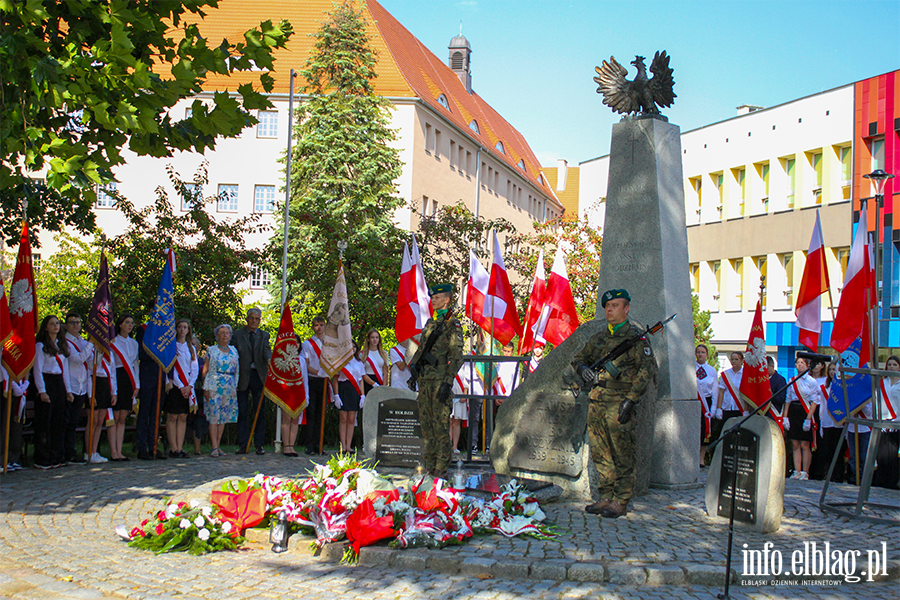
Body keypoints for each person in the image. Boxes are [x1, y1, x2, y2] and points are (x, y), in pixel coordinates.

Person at [572, 289, 656, 519]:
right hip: (597, 402)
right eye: (607, 306)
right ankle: (606, 496)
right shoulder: (598, 338)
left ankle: (621, 499)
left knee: (623, 453)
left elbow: (645, 372)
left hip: (620, 403)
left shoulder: (637, 339)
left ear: (626, 309)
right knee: (601, 452)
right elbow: (579, 358)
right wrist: (583, 370)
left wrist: (631, 400)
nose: (610, 310)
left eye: (615, 306)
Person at [407, 283, 464, 478]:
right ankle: (429, 465)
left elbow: (457, 356)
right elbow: (422, 350)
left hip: (440, 381)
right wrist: (414, 371)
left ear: (447, 300)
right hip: (425, 380)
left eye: (437, 298)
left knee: (440, 426)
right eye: (432, 298)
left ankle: (441, 468)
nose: (433, 300)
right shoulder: (431, 323)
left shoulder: (452, 324)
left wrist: (448, 382)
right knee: (426, 425)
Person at [32, 315, 73, 469]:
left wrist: (68, 390)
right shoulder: (41, 346)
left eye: (57, 323)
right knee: (44, 422)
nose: (55, 326)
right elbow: (37, 370)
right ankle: (42, 457)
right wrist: (42, 391)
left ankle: (55, 455)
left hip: (59, 383)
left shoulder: (61, 345)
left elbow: (66, 371)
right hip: (46, 382)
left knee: (58, 421)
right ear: (46, 327)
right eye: (52, 324)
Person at [232, 307, 271, 455]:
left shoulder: (264, 335)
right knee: (243, 411)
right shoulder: (237, 335)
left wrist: (269, 359)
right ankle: (243, 444)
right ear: (247, 319)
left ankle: (259, 445)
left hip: (259, 376)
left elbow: (267, 350)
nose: (254, 321)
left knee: (260, 411)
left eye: (257, 319)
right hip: (242, 376)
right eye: (252, 318)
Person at [163, 319, 198, 458]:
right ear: (176, 329)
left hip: (187, 386)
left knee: (183, 417)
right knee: (172, 416)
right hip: (175, 386)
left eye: (185, 327)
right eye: (180, 327)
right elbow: (170, 368)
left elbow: (194, 368)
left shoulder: (191, 348)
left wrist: (189, 385)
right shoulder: (171, 346)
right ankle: (174, 448)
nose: (183, 330)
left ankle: (180, 446)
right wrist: (181, 385)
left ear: (189, 330)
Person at [203, 324, 240, 457]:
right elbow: (205, 370)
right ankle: (213, 446)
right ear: (217, 335)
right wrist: (206, 387)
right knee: (214, 416)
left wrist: (235, 385)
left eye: (227, 333)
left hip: (229, 386)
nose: (225, 335)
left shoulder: (234, 350)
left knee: (223, 416)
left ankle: (219, 445)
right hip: (214, 384)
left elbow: (237, 370)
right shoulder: (211, 350)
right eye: (222, 333)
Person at [63, 312, 93, 464]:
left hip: (82, 386)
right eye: (72, 322)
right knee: (66, 422)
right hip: (70, 386)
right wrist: (91, 344)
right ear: (66, 325)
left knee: (74, 422)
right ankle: (65, 452)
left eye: (78, 322)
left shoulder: (81, 342)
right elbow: (78, 359)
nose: (76, 325)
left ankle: (71, 451)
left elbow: (90, 361)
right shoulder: (65, 342)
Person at [784, 355, 820, 481]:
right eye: (797, 363)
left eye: (802, 363)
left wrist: (809, 419)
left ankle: (805, 471)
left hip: (806, 411)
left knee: (805, 443)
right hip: (794, 411)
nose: (799, 365)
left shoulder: (811, 381)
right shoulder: (792, 380)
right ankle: (796, 470)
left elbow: (815, 401)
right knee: (795, 443)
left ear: (807, 365)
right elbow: (788, 399)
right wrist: (785, 417)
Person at [110, 314, 139, 461]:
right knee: (115, 416)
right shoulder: (113, 342)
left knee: (122, 417)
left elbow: (135, 365)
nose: (130, 325)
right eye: (127, 322)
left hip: (129, 379)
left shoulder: (134, 343)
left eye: (131, 323)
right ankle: (113, 451)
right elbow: (111, 365)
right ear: (120, 324)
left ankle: (119, 451)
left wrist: (136, 384)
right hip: (117, 376)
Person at [134, 323, 165, 460]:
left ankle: (154, 445)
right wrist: (157, 353)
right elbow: (141, 353)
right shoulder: (143, 329)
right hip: (147, 374)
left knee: (156, 413)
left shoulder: (165, 331)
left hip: (161, 375)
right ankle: (141, 447)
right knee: (144, 413)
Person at [302, 316, 332, 454]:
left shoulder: (330, 343)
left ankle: (319, 444)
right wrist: (318, 373)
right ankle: (309, 444)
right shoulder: (307, 344)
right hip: (312, 379)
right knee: (311, 412)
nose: (319, 327)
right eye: (316, 325)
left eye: (321, 324)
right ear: (312, 327)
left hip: (325, 381)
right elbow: (306, 364)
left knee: (321, 413)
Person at [813, 361, 846, 482]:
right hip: (826, 421)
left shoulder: (844, 385)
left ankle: (838, 476)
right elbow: (819, 402)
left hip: (839, 422)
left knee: (839, 451)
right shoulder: (823, 385)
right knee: (827, 451)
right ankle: (827, 475)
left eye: (835, 370)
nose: (833, 372)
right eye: (831, 369)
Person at [333, 342, 366, 453]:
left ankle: (349, 446)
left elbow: (361, 380)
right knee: (343, 419)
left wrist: (362, 395)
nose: (352, 349)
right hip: (343, 389)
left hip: (354, 390)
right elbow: (336, 379)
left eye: (354, 347)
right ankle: (342, 446)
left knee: (351, 419)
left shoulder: (359, 363)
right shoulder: (340, 363)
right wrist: (336, 395)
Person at [874, 355, 900, 489]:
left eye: (894, 364)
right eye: (889, 364)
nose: (891, 367)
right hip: (882, 421)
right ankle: (881, 481)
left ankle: (891, 482)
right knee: (881, 454)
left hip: (896, 423)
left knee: (892, 454)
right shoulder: (882, 382)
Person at [1, 358, 28, 471]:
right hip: (5, 385)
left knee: (16, 425)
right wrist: (12, 384)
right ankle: (2, 459)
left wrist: (25, 383)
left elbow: (26, 364)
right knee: (3, 425)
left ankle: (12, 458)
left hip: (18, 383)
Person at [695, 344, 717, 468]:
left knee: (705, 431)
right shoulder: (691, 367)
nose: (700, 354)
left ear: (707, 354)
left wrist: (713, 408)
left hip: (707, 403)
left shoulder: (711, 370)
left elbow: (714, 391)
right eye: (698, 352)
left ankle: (701, 459)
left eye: (703, 352)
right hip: (694, 401)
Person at [715, 351, 745, 428]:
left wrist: (746, 410)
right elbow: (721, 392)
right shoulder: (725, 374)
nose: (733, 361)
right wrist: (719, 408)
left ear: (742, 361)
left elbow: (747, 393)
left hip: (740, 408)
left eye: (736, 359)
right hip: (727, 407)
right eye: (732, 359)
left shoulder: (746, 374)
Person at [360, 328, 389, 393]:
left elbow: (385, 372)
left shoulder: (384, 353)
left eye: (377, 337)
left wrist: (384, 386)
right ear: (368, 339)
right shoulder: (362, 354)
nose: (375, 339)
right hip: (368, 382)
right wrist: (374, 384)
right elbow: (362, 373)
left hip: (380, 381)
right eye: (372, 337)